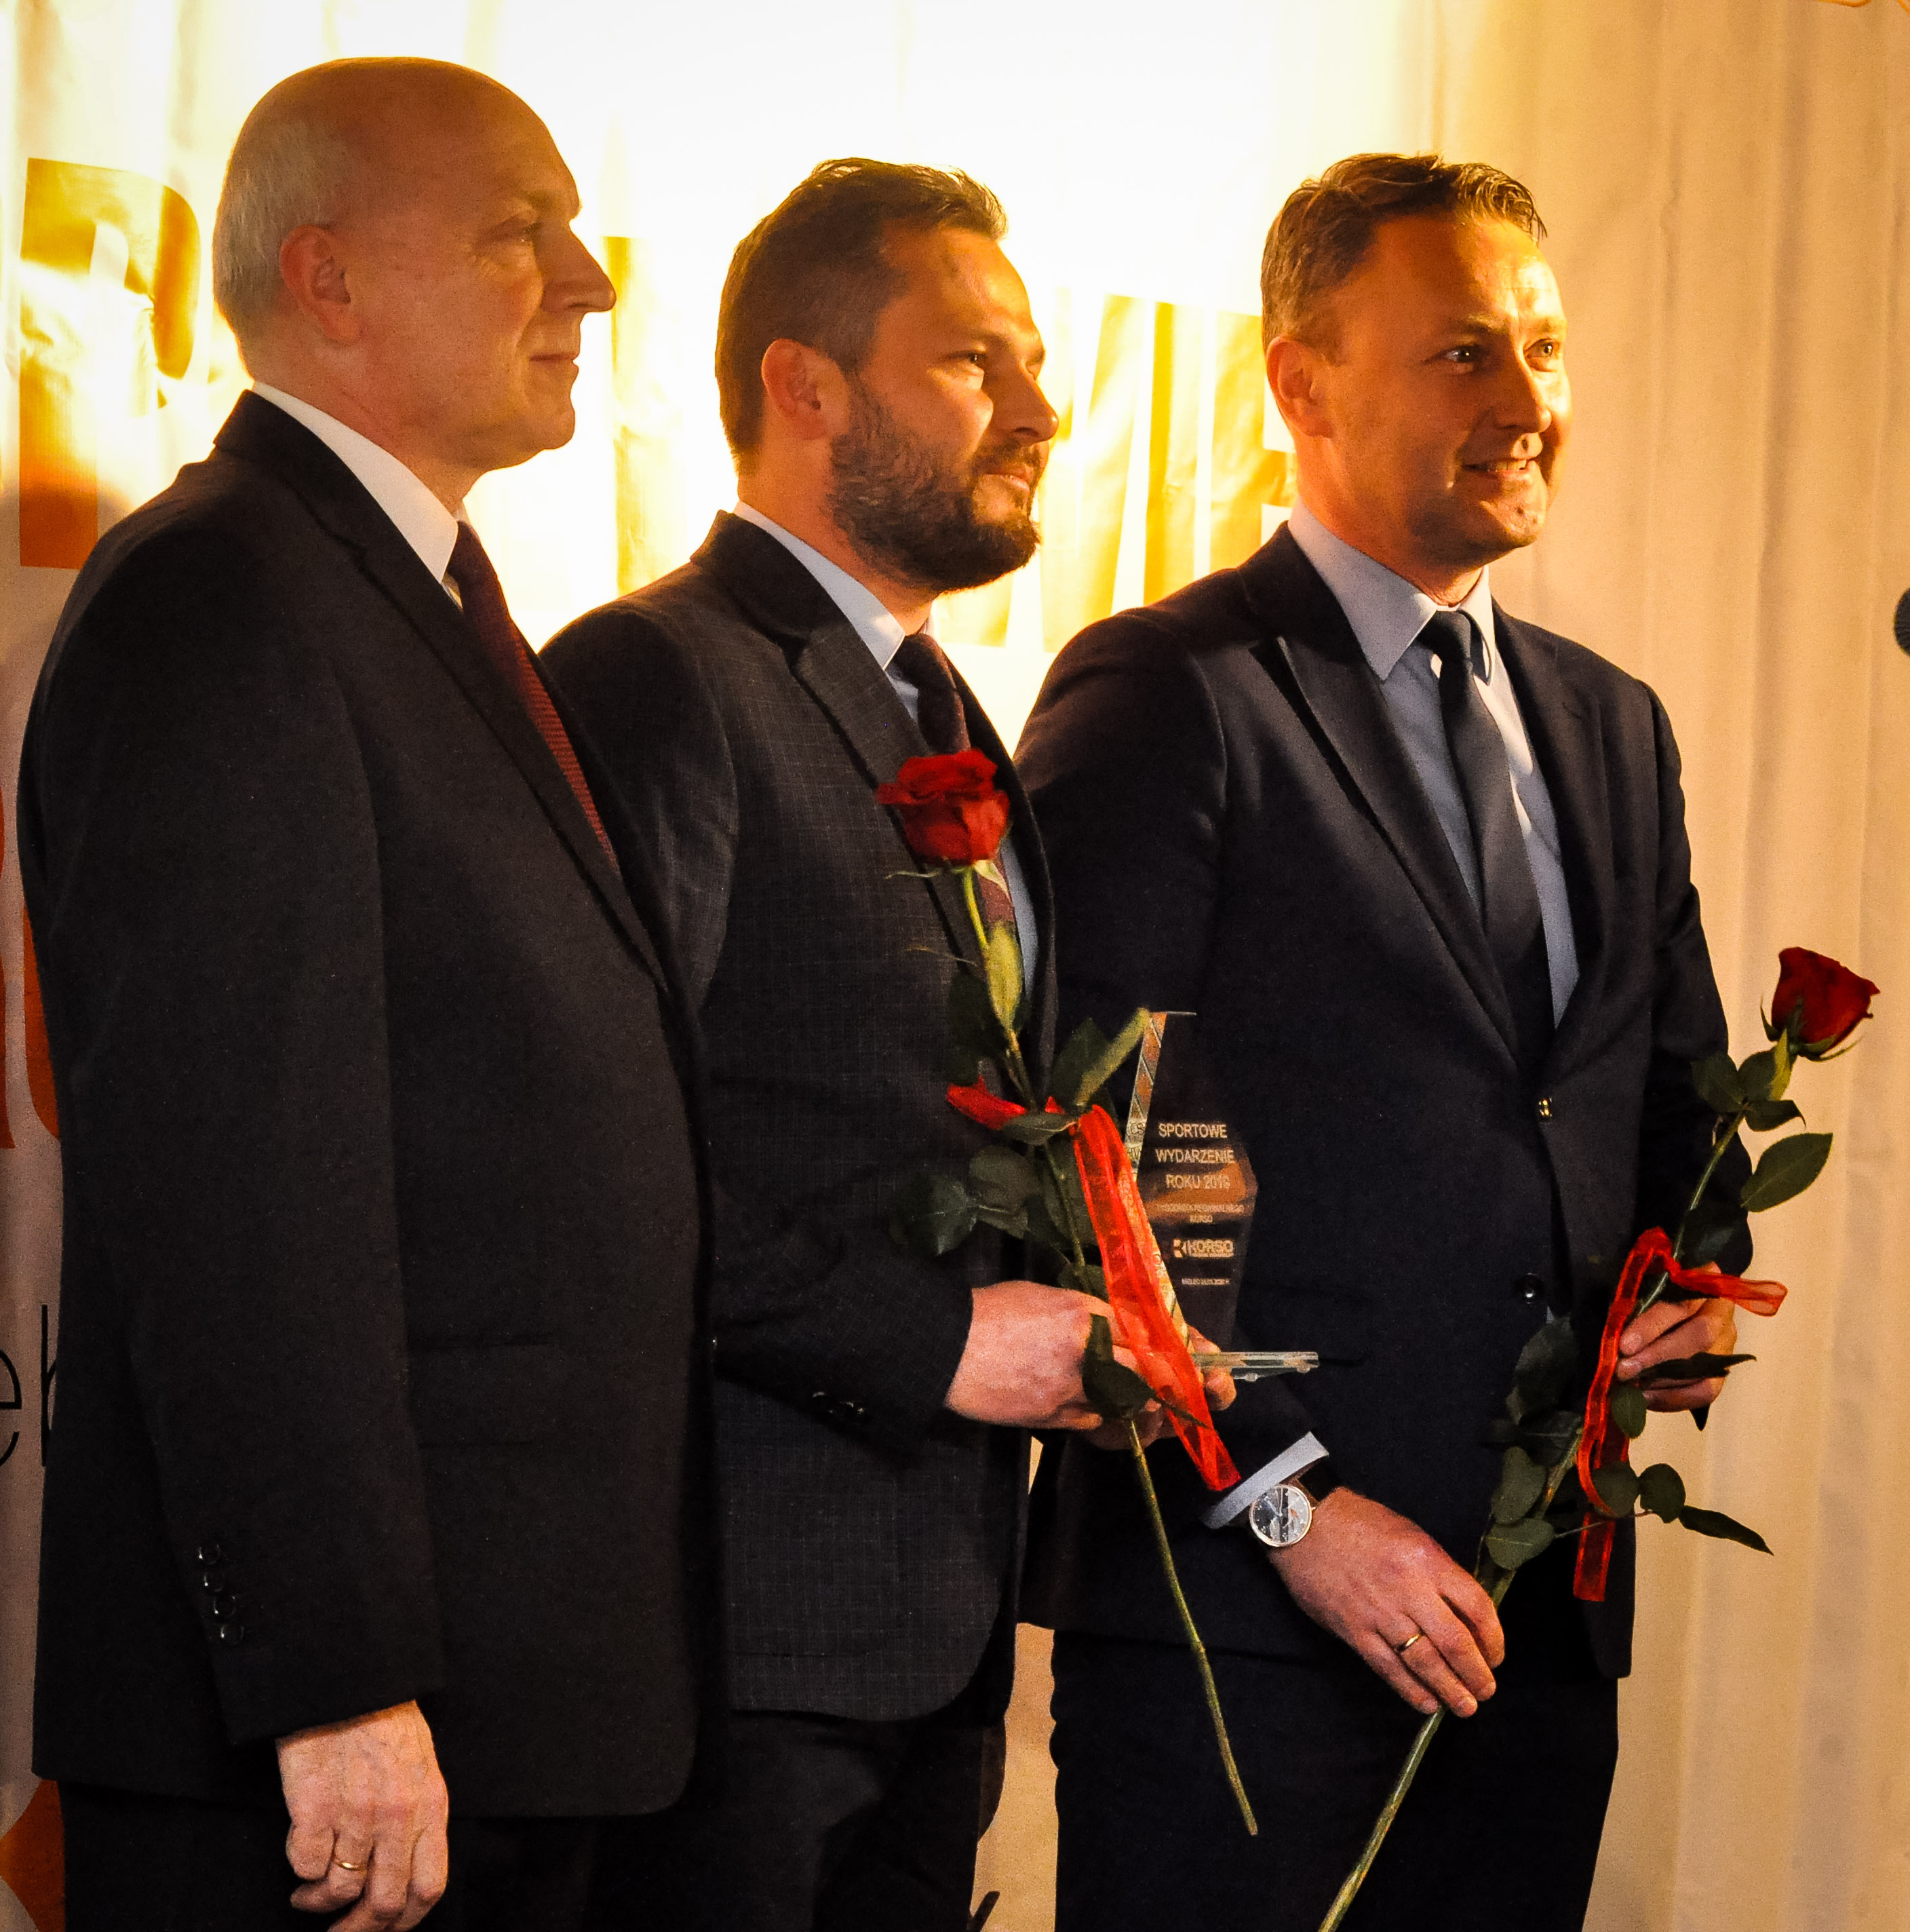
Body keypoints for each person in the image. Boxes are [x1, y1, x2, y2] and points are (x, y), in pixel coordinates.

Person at [1017, 152, 1751, 1931]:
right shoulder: (1168, 693)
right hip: (1250, 1626)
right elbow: (1098, 1160)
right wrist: (1293, 1506)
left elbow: (1672, 1097)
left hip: (1534, 1622)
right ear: (1303, 383)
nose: (1526, 401)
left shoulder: (1613, 725)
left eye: (1545, 351)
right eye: (1462, 354)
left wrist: (1696, 1283)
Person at [22, 58, 712, 1932]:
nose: (589, 281)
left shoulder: (404, 596)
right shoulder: (219, 598)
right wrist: (333, 1684)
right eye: (517, 234)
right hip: (337, 1757)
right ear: (326, 279)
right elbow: (226, 1192)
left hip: (512, 1711)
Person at [542, 160, 1112, 1932]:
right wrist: (939, 1342)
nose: (1040, 410)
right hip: (729, 1641)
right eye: (976, 362)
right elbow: (600, 1157)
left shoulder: (945, 706)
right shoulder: (659, 675)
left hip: (934, 1635)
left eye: (1037, 364)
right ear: (806, 385)